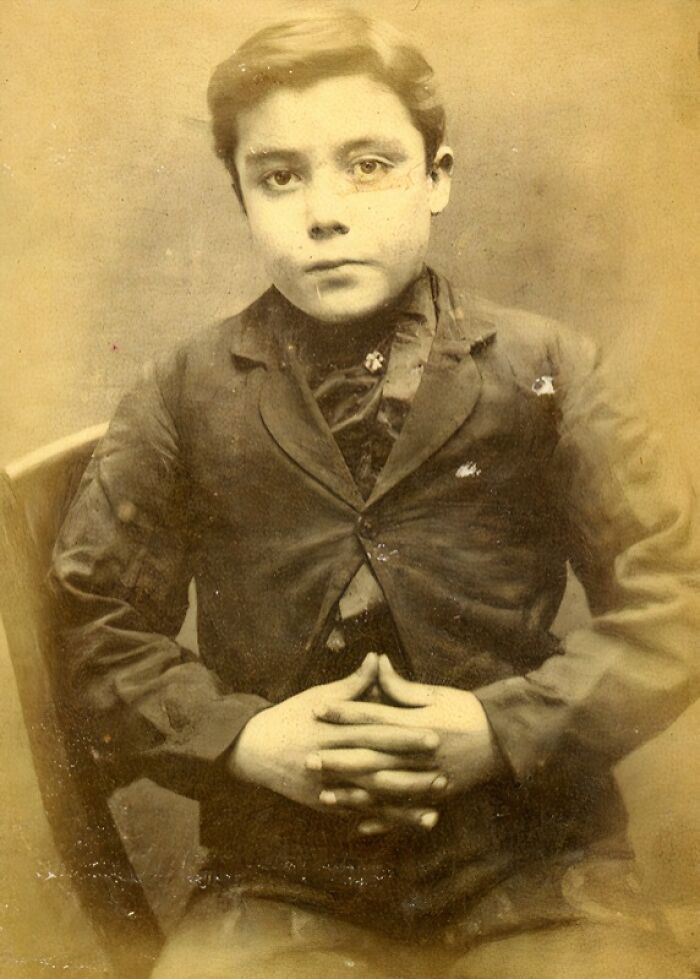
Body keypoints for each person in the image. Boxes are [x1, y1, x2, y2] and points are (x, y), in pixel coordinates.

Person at [50, 10, 699, 978]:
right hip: (279, 874)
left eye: (369, 165)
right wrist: (245, 737)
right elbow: (94, 625)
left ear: (437, 177)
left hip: (534, 866)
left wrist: (493, 728)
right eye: (280, 176)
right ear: (240, 196)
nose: (324, 211)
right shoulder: (180, 389)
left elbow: (674, 603)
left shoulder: (548, 365)